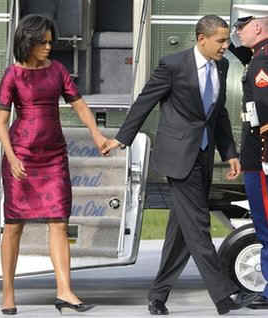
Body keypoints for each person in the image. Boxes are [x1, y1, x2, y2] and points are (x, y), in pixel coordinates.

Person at [102, 15, 258, 315]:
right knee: (199, 226)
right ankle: (225, 296)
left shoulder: (222, 66)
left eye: (227, 40)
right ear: (202, 39)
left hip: (202, 155)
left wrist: (229, 153)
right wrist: (123, 139)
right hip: (178, 158)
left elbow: (218, 113)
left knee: (181, 231)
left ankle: (157, 296)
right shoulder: (173, 65)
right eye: (221, 41)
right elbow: (144, 102)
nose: (226, 46)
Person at [0, 14, 106, 315]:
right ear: (27, 42)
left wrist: (96, 134)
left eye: (50, 41)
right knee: (14, 225)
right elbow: (1, 122)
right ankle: (8, 292)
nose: (48, 46)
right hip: (22, 156)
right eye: (42, 42)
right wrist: (12, 155)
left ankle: (65, 291)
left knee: (59, 221)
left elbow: (79, 105)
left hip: (54, 156)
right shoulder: (13, 75)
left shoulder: (57, 70)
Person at [229, 15, 268, 309]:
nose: (236, 34)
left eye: (240, 29)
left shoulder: (263, 59)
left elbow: (265, 107)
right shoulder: (257, 54)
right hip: (256, 156)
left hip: (261, 157)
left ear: (257, 27)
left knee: (265, 225)